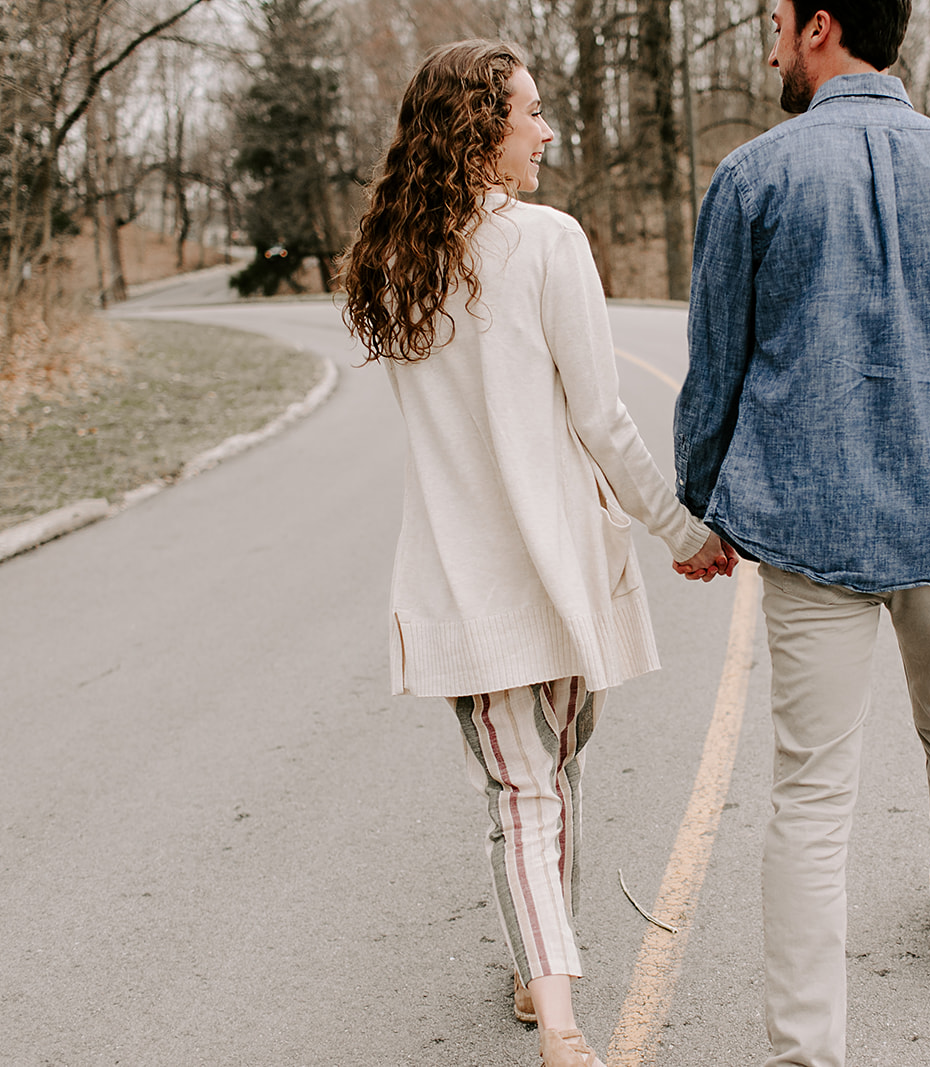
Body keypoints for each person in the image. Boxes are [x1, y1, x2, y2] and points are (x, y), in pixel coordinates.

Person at [337, 39, 735, 1067]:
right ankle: (561, 1023)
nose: (548, 129)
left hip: (462, 580)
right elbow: (602, 419)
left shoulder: (392, 256)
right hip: (559, 578)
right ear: (480, 127)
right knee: (542, 785)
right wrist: (683, 532)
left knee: (534, 784)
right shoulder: (548, 242)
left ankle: (535, 969)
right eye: (532, 112)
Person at [672, 2, 930, 1065]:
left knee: (812, 796)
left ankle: (805, 1052)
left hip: (809, 526)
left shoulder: (754, 176)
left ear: (822, 25)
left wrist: (703, 502)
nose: (770, 41)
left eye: (777, 20)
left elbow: (716, 371)